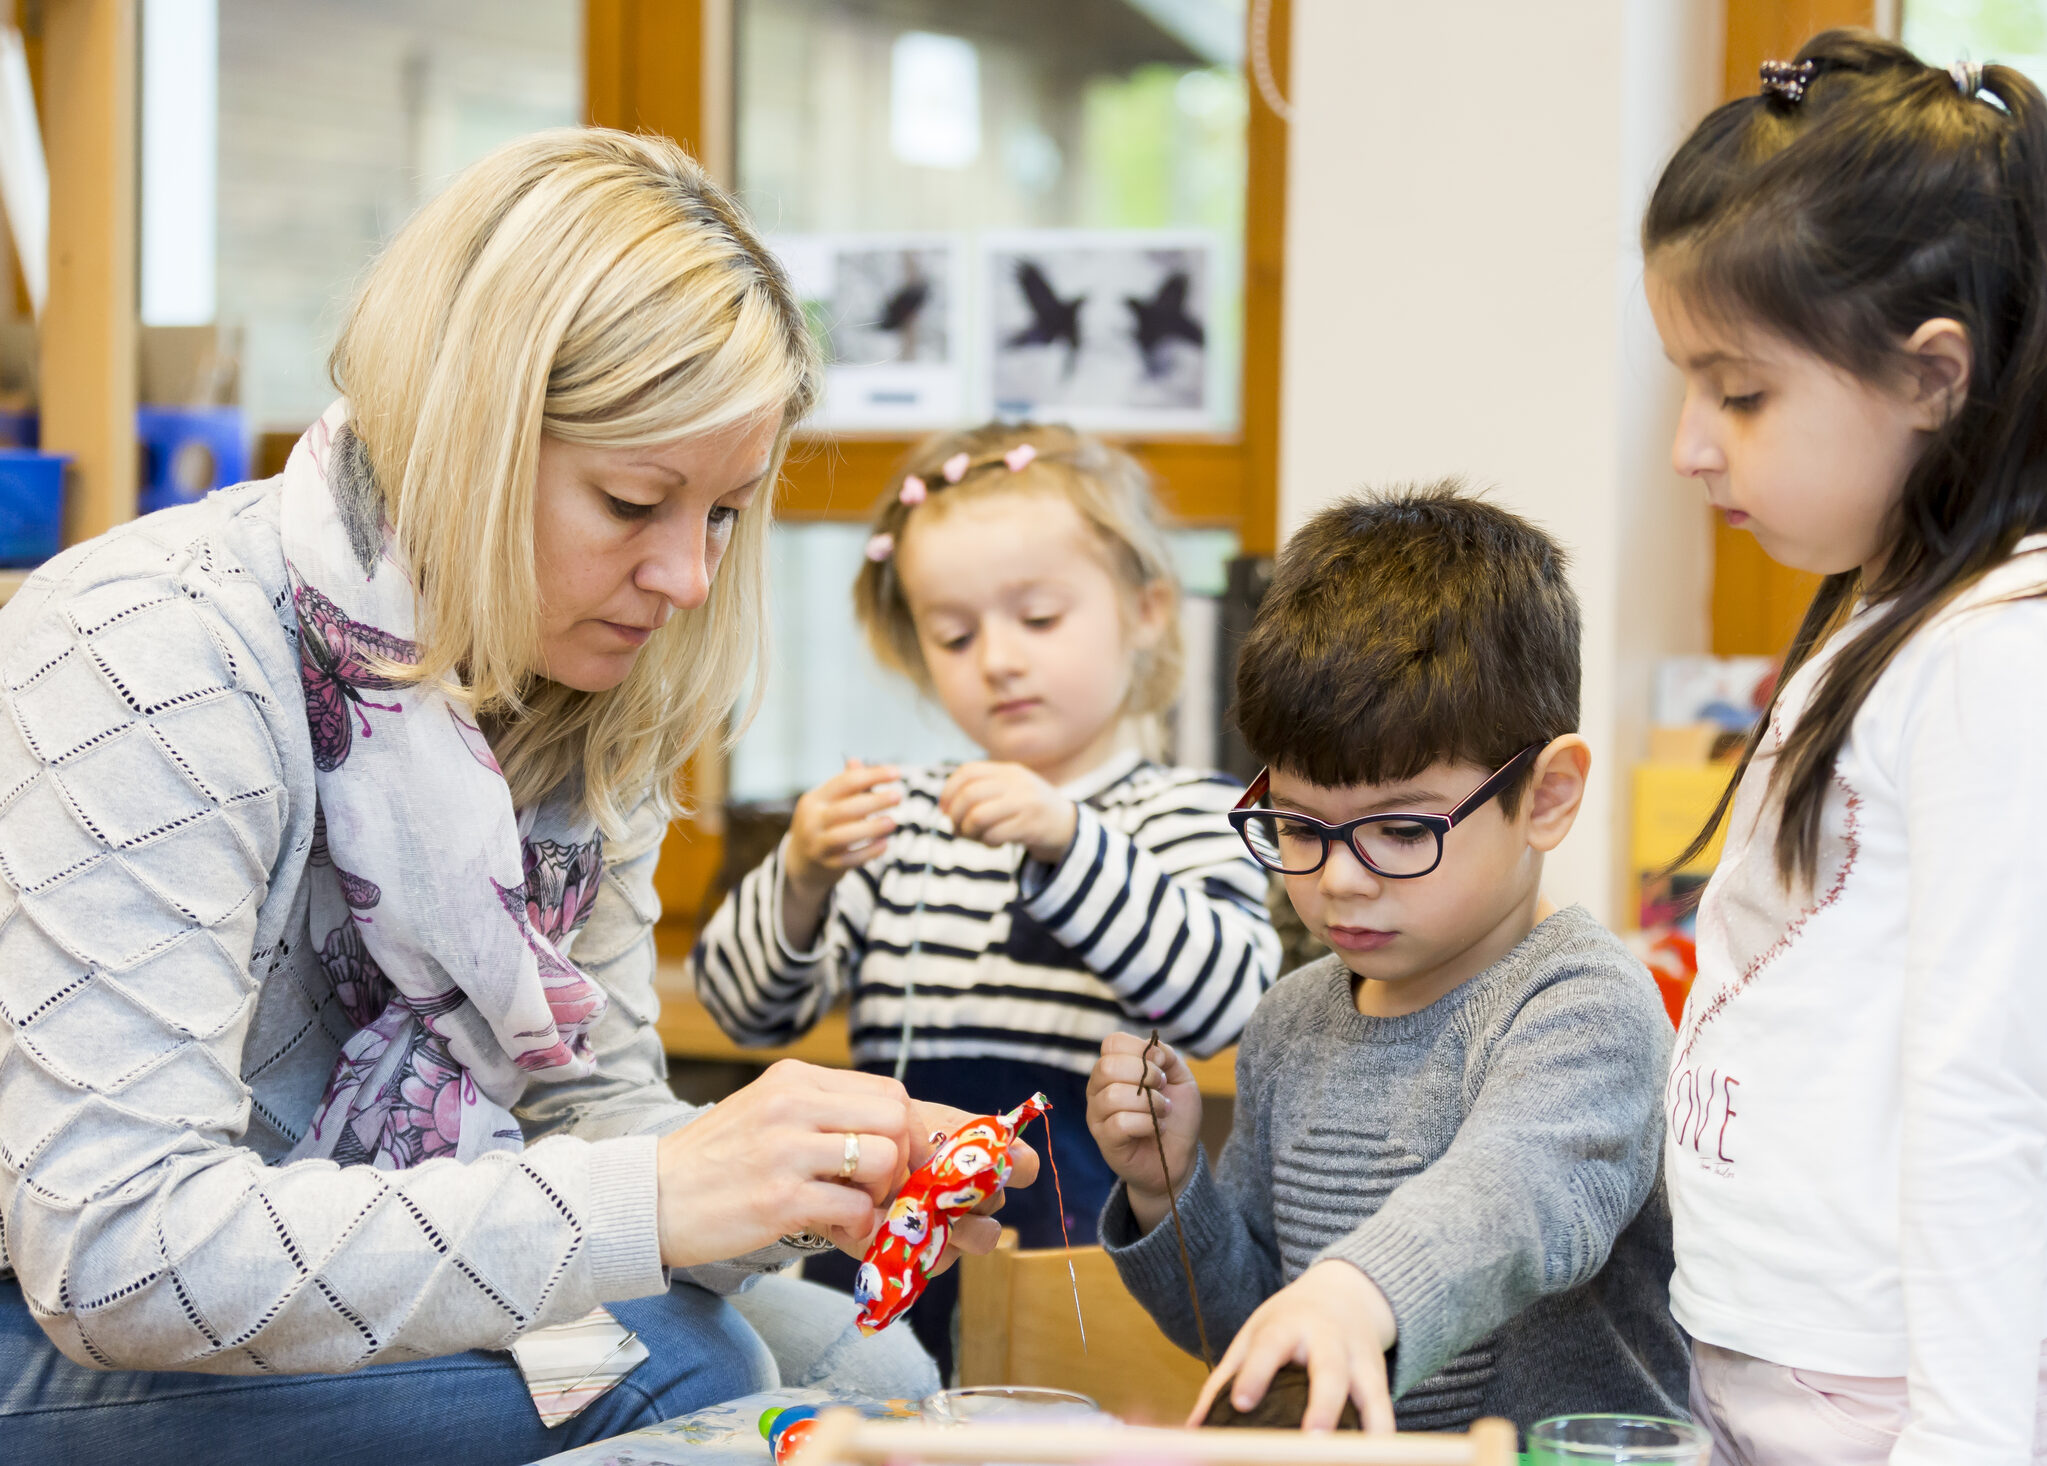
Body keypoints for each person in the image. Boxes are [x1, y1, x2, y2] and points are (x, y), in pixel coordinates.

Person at [0, 130, 1031, 1466]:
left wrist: (804, 1177)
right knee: (687, 1368)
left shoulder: (572, 678)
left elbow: (585, 1112)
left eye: (722, 513)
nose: (688, 578)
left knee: (870, 1362)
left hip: (298, 1249)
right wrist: (666, 1192)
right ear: (464, 437)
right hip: (59, 1302)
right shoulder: (152, 651)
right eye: (633, 499)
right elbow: (117, 1255)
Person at [1642, 31, 2047, 1465]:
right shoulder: (1897, 609)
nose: (1689, 448)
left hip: (1919, 1401)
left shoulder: (2003, 656)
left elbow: (1968, 1099)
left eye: (1737, 392)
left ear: (1930, 376)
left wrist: (1958, 1439)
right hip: (1796, 1360)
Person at [1087, 485, 1688, 1433]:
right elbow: (1254, 1336)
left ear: (1546, 795)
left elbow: (1513, 1194)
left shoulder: (1581, 1006)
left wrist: (1351, 1292)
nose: (1339, 881)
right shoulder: (1291, 1022)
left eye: (1401, 830)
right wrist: (1164, 1190)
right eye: (1299, 825)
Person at [691, 422, 1281, 1368]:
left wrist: (1069, 840)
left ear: (1147, 610)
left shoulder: (1182, 810)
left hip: (1085, 1253)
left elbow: (1225, 1006)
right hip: (890, 1246)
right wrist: (801, 877)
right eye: (955, 634)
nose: (998, 659)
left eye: (1039, 619)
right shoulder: (904, 814)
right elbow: (750, 1010)